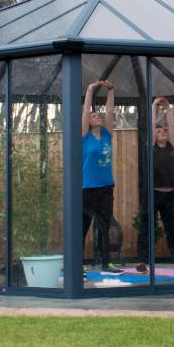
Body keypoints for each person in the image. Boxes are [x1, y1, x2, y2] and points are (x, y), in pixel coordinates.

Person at [136, 97, 174, 273]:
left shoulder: (171, 146)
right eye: (159, 131)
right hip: (153, 194)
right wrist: (153, 106)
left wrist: (168, 108)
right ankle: (142, 261)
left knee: (170, 229)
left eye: (164, 131)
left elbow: (172, 125)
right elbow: (153, 126)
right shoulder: (152, 148)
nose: (163, 132)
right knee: (147, 228)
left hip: (169, 195)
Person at [81, 79, 121, 273]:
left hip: (106, 187)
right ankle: (77, 264)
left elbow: (110, 111)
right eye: (93, 115)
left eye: (98, 115)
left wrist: (110, 91)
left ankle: (106, 263)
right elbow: (85, 111)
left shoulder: (106, 135)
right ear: (88, 121)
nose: (96, 116)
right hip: (87, 188)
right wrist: (90, 90)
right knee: (83, 227)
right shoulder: (85, 137)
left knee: (104, 226)